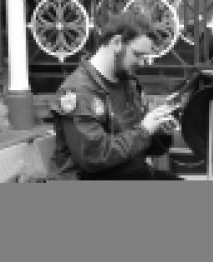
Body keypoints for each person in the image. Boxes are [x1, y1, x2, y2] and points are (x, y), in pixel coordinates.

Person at [48, 11, 182, 180]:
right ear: (117, 42)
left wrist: (159, 130)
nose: (142, 63)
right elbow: (94, 157)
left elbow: (141, 147)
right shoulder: (78, 91)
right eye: (138, 55)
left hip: (131, 174)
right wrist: (144, 131)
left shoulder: (129, 83)